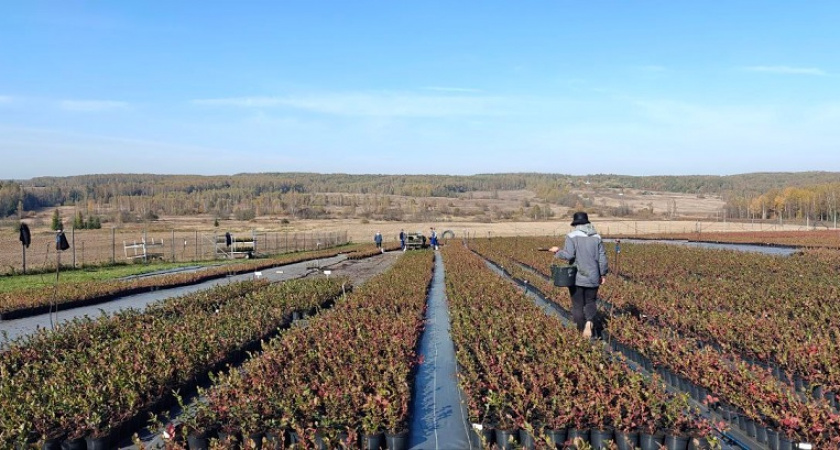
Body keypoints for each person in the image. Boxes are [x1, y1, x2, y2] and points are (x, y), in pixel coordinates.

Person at [549, 211, 608, 339]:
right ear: (587, 223)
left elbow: (569, 255)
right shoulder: (597, 237)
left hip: (576, 276)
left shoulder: (571, 236)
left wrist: (557, 251)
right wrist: (602, 274)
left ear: (575, 224)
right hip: (593, 276)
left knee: (577, 304)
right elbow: (602, 258)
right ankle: (589, 321)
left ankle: (582, 330)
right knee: (591, 301)